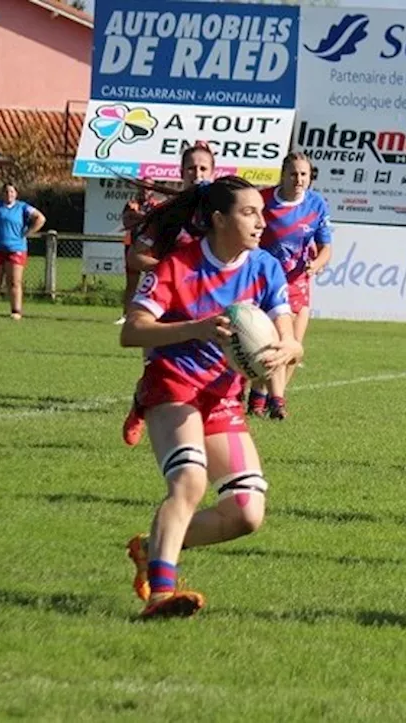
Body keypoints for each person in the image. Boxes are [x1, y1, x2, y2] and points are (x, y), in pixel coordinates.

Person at [120, 175, 302, 618]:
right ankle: (162, 593)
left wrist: (287, 349)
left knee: (245, 512)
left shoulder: (265, 267)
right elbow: (132, 330)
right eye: (248, 213)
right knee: (189, 481)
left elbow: (290, 337)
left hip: (221, 394)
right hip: (172, 385)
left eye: (261, 212)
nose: (261, 222)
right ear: (219, 220)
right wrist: (198, 327)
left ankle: (150, 548)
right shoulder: (177, 265)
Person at [121, 143, 217, 446]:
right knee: (158, 369)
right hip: (168, 304)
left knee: (213, 371)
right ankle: (140, 404)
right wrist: (170, 269)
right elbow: (136, 257)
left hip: (210, 302)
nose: (197, 174)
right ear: (181, 173)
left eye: (203, 168)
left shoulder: (222, 212)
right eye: (191, 168)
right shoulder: (167, 214)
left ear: (214, 172)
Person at [247, 152, 333, 421]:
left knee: (293, 349)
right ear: (283, 175)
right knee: (264, 343)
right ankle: (268, 400)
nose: (299, 179)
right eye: (293, 174)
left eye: (304, 174)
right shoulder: (263, 201)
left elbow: (326, 247)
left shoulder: (316, 204)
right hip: (264, 282)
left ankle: (269, 399)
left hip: (297, 282)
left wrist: (317, 264)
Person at [0, 182, 46, 320]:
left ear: (16, 194)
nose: (9, 195)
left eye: (12, 192)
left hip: (16, 249)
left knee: (15, 282)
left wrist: (28, 232)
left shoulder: (23, 208)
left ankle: (16, 311)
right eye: (6, 192)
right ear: (2, 194)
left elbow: (40, 218)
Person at [116, 183, 162, 325]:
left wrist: (139, 217)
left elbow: (157, 221)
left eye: (148, 187)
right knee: (131, 283)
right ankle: (125, 315)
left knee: (154, 281)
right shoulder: (131, 204)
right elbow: (126, 221)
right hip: (132, 245)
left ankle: (153, 314)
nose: (145, 190)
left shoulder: (157, 205)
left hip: (151, 248)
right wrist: (140, 217)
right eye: (142, 187)